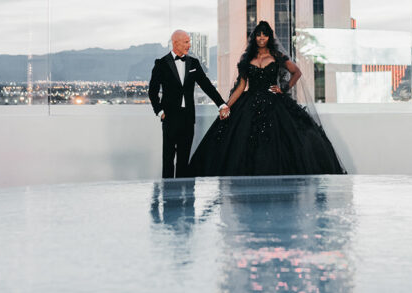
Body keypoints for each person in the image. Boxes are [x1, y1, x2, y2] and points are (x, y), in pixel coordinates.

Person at [190, 21, 345, 176]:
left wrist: (283, 89)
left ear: (269, 37)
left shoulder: (277, 56)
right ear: (254, 37)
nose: (261, 37)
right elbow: (241, 86)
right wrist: (227, 106)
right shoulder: (247, 58)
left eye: (265, 34)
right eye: (258, 34)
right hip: (249, 103)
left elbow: (296, 72)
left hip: (275, 103)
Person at [148, 29, 228, 178]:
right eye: (186, 42)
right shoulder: (161, 64)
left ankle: (182, 197)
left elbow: (207, 86)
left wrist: (221, 104)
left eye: (189, 41)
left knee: (184, 160)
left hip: (188, 118)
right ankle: (168, 197)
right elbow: (152, 92)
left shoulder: (193, 63)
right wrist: (160, 112)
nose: (189, 45)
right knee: (168, 160)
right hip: (170, 117)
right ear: (175, 43)